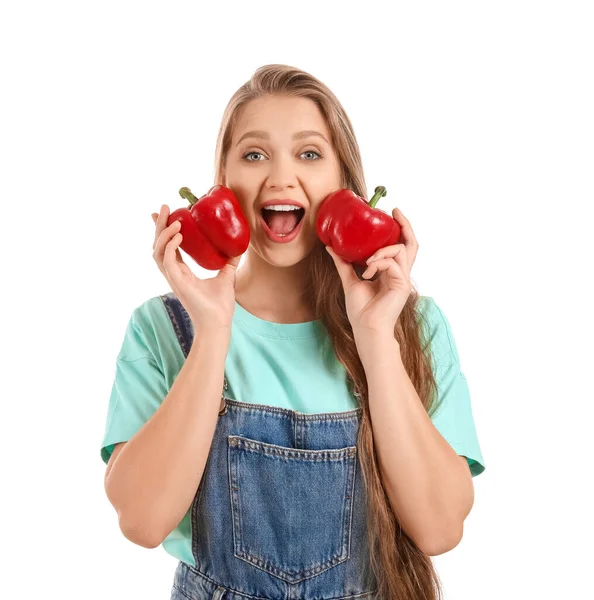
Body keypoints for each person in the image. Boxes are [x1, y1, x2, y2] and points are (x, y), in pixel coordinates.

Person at [100, 64, 486, 600]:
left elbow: (440, 528)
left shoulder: (411, 326)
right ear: (223, 182)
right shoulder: (163, 329)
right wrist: (213, 333)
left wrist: (375, 338)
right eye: (254, 154)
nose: (281, 177)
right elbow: (141, 520)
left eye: (309, 154)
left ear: (344, 183)